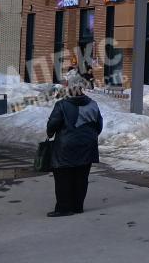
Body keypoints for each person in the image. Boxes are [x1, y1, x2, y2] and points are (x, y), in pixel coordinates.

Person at [45, 80, 103, 217]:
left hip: (66, 147)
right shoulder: (93, 104)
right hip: (88, 146)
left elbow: (53, 124)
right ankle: (77, 206)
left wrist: (50, 133)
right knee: (81, 177)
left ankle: (64, 208)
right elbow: (99, 125)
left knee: (63, 178)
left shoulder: (62, 104)